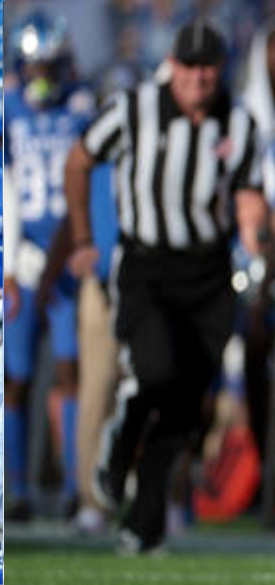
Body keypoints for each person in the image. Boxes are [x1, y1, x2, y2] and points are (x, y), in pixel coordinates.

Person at [65, 20, 268, 553]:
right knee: (156, 372)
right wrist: (83, 235)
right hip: (148, 266)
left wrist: (257, 232)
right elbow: (79, 159)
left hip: (208, 273)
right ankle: (124, 432)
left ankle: (144, 523)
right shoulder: (134, 109)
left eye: (209, 68)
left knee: (184, 407)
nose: (200, 79)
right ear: (172, 67)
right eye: (191, 67)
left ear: (220, 70)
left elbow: (249, 193)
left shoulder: (238, 121)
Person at [3, 10, 93, 520]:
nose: (41, 77)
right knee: (14, 375)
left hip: (65, 263)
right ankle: (17, 488)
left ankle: (72, 486)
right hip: (18, 259)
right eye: (34, 67)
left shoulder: (79, 109)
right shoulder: (7, 108)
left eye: (49, 66)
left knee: (69, 371)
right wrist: (10, 254)